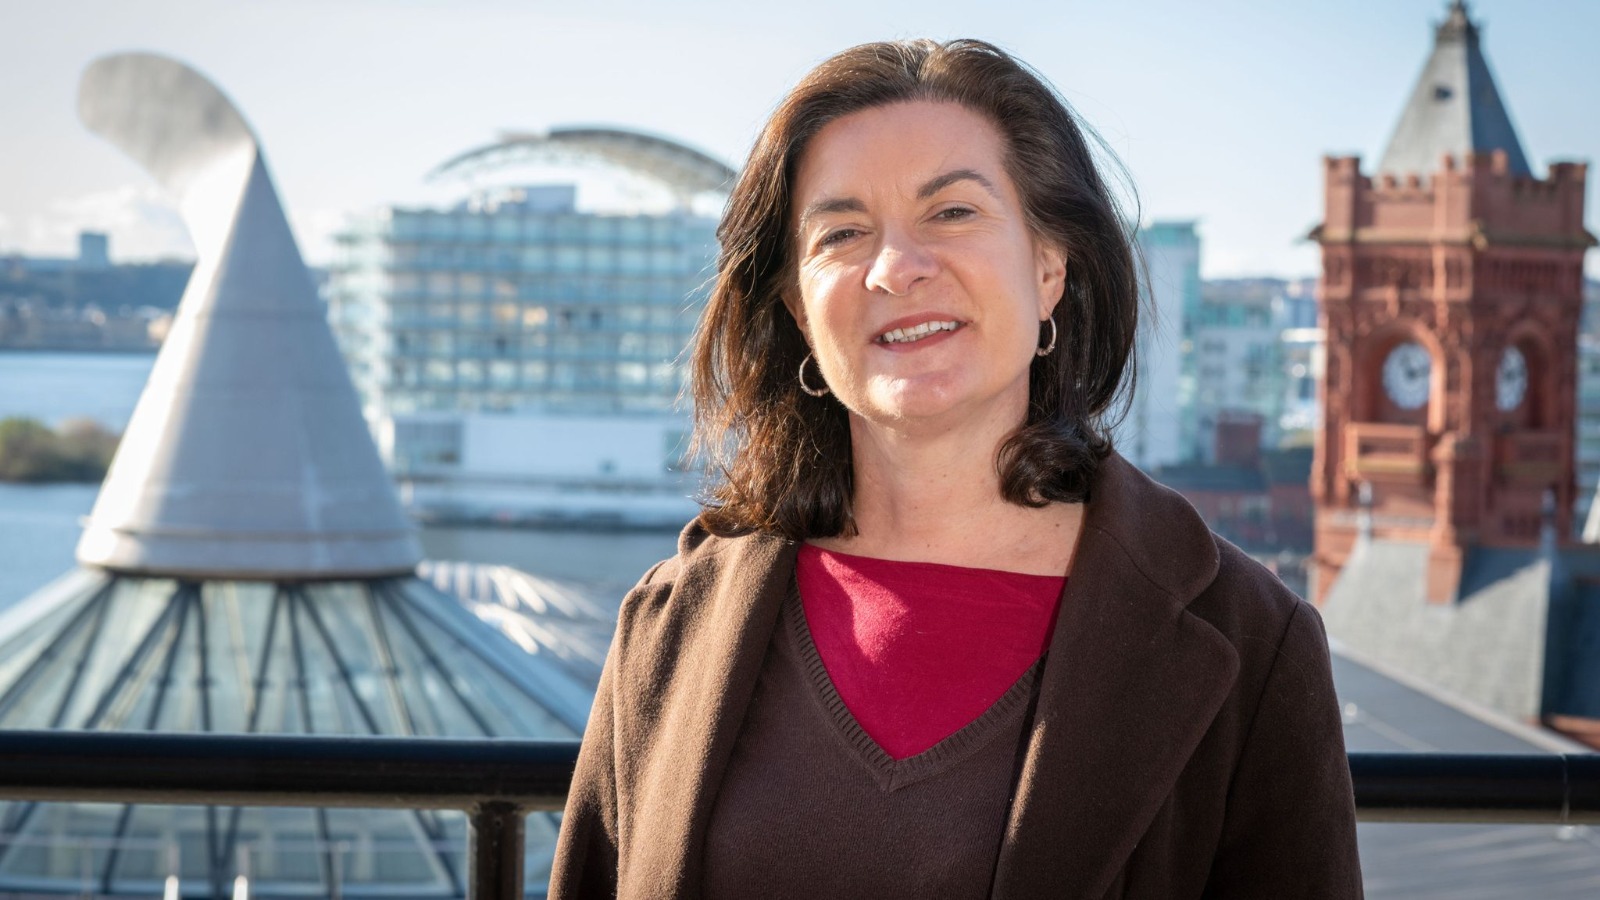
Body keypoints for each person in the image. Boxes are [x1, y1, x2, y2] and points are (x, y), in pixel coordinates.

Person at [550, 38, 1361, 899]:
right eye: (843, 233)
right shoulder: (670, 625)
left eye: (953, 213)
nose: (897, 268)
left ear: (1050, 266)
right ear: (796, 307)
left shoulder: (1249, 642)